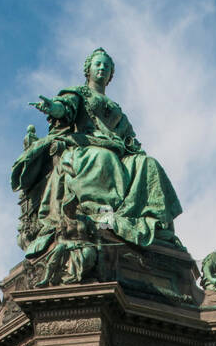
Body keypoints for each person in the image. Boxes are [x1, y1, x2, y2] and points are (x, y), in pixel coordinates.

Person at [12, 47, 183, 252]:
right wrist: (53, 108)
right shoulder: (79, 94)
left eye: (107, 66)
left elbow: (129, 140)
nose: (102, 68)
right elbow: (64, 109)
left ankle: (153, 223)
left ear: (111, 75)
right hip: (86, 147)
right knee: (104, 158)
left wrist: (129, 148)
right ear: (89, 70)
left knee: (149, 164)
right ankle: (101, 217)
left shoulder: (116, 108)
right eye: (98, 64)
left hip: (117, 151)